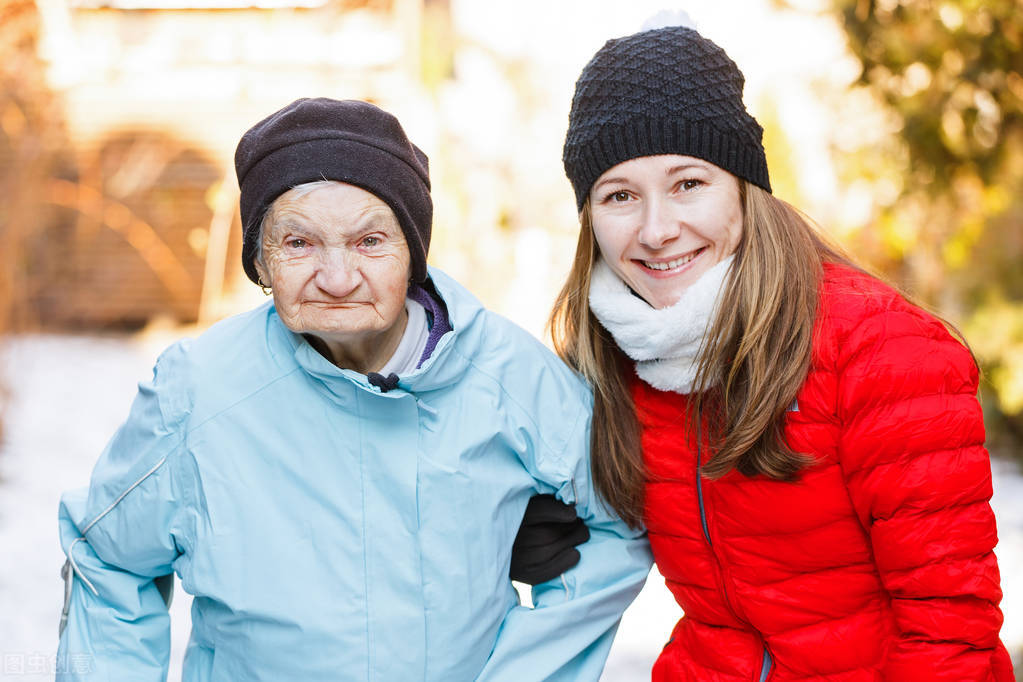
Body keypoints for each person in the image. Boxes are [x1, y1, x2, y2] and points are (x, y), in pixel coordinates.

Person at [55, 97, 651, 681]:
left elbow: (620, 522)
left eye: (370, 241)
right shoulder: (199, 388)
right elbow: (107, 557)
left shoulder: (511, 374)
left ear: (413, 254)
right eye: (299, 243)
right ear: (260, 262)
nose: (338, 280)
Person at [532, 20, 1015, 681]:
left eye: (687, 184)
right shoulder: (615, 360)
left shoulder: (878, 348)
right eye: (619, 196)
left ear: (742, 186)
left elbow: (946, 622)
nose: (655, 230)